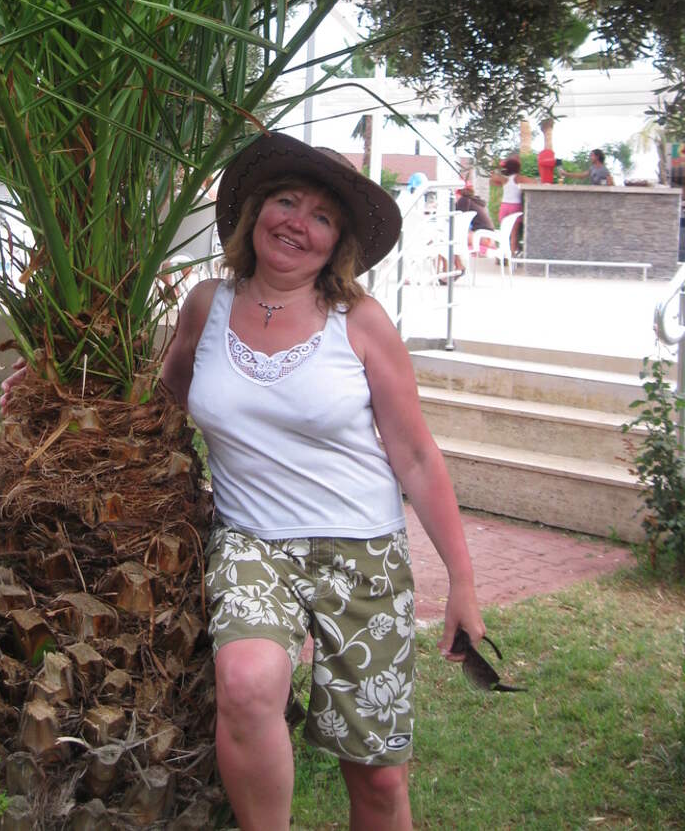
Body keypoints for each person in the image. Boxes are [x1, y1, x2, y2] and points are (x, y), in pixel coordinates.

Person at [137, 133, 483, 829]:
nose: (298, 222)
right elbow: (155, 402)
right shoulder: (206, 306)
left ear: (337, 243)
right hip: (252, 542)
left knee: (378, 776)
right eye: (287, 202)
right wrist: (54, 385)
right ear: (256, 211)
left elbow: (416, 455)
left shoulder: (361, 322)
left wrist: (462, 583)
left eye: (321, 215)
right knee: (246, 682)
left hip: (363, 550)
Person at [489, 155, 536, 253]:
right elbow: (534, 182)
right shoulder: (519, 178)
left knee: (504, 233)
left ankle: (502, 255)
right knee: (514, 235)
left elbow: (492, 179)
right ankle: (512, 256)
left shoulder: (504, 179)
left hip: (504, 206)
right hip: (515, 206)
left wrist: (498, 169)